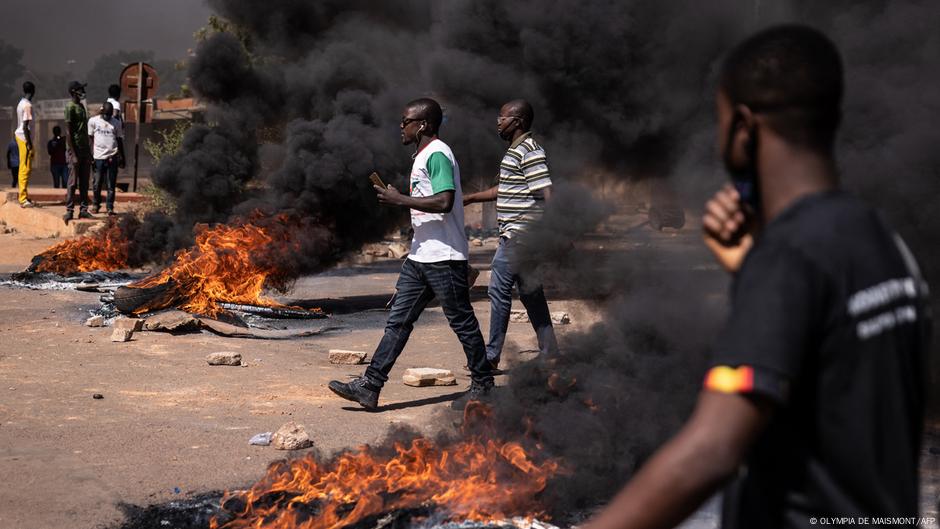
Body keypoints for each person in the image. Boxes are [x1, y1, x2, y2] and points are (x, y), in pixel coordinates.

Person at [580, 25, 929, 529]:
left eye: (720, 122)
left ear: (743, 127)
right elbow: (836, 357)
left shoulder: (790, 257)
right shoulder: (879, 239)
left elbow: (713, 450)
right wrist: (747, 267)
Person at [328, 98, 494, 411]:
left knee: (462, 322)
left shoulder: (438, 154)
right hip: (421, 258)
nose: (401, 127)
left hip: (444, 258)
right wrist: (403, 201)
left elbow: (445, 201)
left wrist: (399, 199)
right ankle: (370, 385)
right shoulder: (422, 155)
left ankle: (484, 385)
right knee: (398, 321)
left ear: (423, 125)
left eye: (406, 121)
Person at [464, 99, 559, 371]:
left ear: (517, 121)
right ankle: (550, 351)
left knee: (498, 290)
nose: (498, 121)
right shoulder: (515, 151)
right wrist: (470, 198)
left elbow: (547, 191)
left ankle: (490, 356)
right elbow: (501, 190)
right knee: (531, 294)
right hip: (519, 237)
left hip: (520, 236)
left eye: (502, 117)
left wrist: (555, 232)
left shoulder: (530, 150)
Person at [64, 81, 93, 223]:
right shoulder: (70, 107)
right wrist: (73, 154)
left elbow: (84, 130)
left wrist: (89, 150)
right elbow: (68, 132)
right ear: (73, 91)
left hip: (84, 149)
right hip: (74, 150)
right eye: (80, 89)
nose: (82, 91)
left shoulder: (82, 106)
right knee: (72, 182)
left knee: (84, 182)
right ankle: (69, 211)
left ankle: (83, 210)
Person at [88, 102, 125, 216]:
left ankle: (109, 207)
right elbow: (90, 139)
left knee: (111, 184)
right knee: (97, 183)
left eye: (109, 115)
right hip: (98, 157)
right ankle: (96, 205)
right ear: (102, 111)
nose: (107, 118)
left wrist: (122, 156)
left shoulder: (116, 123)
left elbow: (119, 140)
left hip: (112, 157)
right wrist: (90, 156)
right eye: (105, 115)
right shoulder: (93, 121)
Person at [14, 81, 35, 207]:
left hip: (20, 136)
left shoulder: (20, 103)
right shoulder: (27, 105)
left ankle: (24, 196)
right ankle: (23, 198)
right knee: (25, 168)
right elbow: (26, 126)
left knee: (24, 167)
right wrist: (29, 143)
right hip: (24, 138)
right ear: (33, 91)